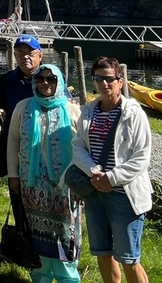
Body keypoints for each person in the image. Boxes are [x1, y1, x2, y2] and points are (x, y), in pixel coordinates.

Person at [72, 57, 151, 283]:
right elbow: (78, 146)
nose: (104, 84)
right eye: (99, 78)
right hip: (95, 191)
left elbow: (142, 156)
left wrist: (112, 178)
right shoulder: (88, 111)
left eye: (109, 79)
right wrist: (95, 172)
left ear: (120, 80)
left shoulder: (133, 113)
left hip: (124, 194)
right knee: (102, 253)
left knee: (129, 258)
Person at [7, 64, 82, 283]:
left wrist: (81, 183)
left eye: (51, 79)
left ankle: (67, 276)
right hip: (32, 185)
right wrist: (13, 174)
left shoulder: (72, 110)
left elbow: (83, 148)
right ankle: (40, 275)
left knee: (65, 233)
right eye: (40, 79)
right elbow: (13, 142)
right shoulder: (24, 107)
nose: (45, 83)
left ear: (59, 82)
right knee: (36, 235)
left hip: (64, 187)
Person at [0, 34, 44, 179]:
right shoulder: (6, 80)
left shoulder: (50, 79)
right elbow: (1, 106)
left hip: (42, 143)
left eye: (30, 53)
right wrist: (0, 113)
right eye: (20, 52)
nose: (25, 57)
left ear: (40, 56)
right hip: (15, 143)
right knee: (16, 191)